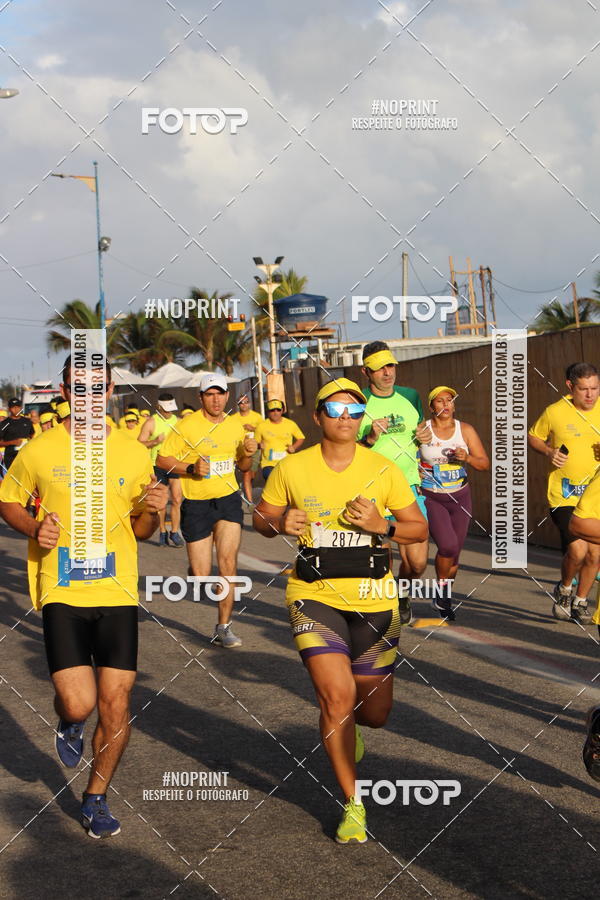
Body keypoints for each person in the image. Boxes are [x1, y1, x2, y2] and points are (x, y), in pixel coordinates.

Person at [253, 378, 427, 843]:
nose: (345, 417)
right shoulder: (292, 468)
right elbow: (262, 517)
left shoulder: (383, 468)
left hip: (375, 601)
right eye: (335, 409)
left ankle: (354, 731)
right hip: (313, 595)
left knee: (374, 713)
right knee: (335, 697)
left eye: (355, 410)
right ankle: (353, 803)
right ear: (317, 416)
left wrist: (382, 525)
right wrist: (277, 522)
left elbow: (417, 529)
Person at [0, 355, 167, 838]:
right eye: (79, 386)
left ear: (110, 388)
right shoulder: (39, 448)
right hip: (62, 587)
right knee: (78, 703)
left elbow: (142, 528)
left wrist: (154, 512)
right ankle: (69, 723)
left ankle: (96, 797)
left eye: (98, 386)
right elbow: (8, 499)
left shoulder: (134, 453)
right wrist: (35, 528)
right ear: (66, 388)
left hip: (116, 589)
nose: (89, 395)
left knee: (116, 702)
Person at [157, 373, 257, 648]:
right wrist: (190, 468)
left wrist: (249, 453)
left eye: (220, 393)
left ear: (227, 396)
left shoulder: (235, 426)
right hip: (196, 504)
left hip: (227, 501)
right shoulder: (186, 426)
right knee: (201, 577)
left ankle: (224, 627)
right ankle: (205, 578)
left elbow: (244, 467)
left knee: (228, 564)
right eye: (210, 394)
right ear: (201, 397)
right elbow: (162, 459)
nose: (216, 399)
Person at [357, 341, 430, 624]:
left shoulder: (411, 396)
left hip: (409, 489)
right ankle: (384, 608)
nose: (387, 373)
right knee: (380, 561)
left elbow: (421, 433)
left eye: (390, 366)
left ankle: (402, 593)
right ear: (366, 371)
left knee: (418, 562)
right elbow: (346, 449)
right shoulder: (357, 401)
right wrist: (369, 439)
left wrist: (425, 438)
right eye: (379, 369)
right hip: (373, 490)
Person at [528, 362, 600, 625]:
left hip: (595, 495)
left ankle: (581, 600)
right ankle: (565, 589)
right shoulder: (555, 411)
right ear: (570, 387)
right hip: (564, 495)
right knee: (578, 550)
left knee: (595, 553)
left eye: (595, 388)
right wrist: (548, 451)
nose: (590, 395)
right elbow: (534, 436)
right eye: (583, 389)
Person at [418, 386, 489, 619]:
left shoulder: (465, 430)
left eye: (449, 400)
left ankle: (443, 597)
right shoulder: (422, 431)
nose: (446, 405)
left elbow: (483, 463)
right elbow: (406, 457)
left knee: (455, 553)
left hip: (460, 496)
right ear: (432, 407)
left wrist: (466, 457)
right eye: (440, 401)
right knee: (447, 546)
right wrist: (415, 469)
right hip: (433, 496)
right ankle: (442, 594)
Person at [138, 392, 184, 547]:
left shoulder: (178, 422)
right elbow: (139, 444)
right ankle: (163, 531)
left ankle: (175, 532)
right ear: (158, 407)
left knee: (177, 499)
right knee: (162, 502)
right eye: (166, 409)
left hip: (174, 463)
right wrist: (155, 442)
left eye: (171, 409)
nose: (169, 412)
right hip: (157, 465)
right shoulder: (151, 422)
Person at [253, 400, 305, 482]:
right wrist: (259, 445)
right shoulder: (261, 426)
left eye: (278, 410)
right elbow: (254, 444)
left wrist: (294, 447)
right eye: (272, 410)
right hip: (269, 464)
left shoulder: (290, 424)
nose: (275, 412)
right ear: (268, 412)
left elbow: (301, 438)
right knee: (275, 481)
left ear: (282, 410)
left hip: (287, 461)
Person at [231, 394, 263, 504]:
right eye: (241, 402)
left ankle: (245, 485)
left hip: (254, 448)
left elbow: (263, 430)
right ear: (238, 404)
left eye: (246, 402)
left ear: (249, 403)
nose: (243, 405)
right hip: (241, 448)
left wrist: (253, 428)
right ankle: (250, 501)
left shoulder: (257, 416)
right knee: (247, 473)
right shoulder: (233, 418)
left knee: (252, 474)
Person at [0, 397, 35, 472]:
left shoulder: (27, 421)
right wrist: (12, 442)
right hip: (11, 459)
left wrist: (29, 443)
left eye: (18, 407)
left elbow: (32, 434)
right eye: (13, 407)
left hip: (26, 457)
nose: (16, 409)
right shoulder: (4, 423)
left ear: (21, 408)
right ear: (9, 409)